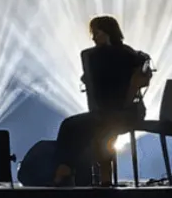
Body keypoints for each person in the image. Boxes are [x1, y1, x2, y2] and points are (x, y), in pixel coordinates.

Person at [52, 15, 152, 186]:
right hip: (114, 113)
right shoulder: (119, 54)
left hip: (126, 114)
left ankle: (70, 170)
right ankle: (91, 175)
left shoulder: (123, 55)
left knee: (78, 126)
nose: (93, 37)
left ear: (107, 33)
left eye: (96, 33)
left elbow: (142, 75)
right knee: (86, 127)